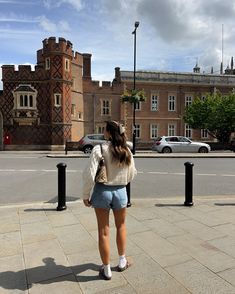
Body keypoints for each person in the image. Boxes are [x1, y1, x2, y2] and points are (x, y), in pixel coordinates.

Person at [82, 121, 137, 280]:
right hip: (120, 192)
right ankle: (122, 261)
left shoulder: (99, 149)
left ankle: (106, 270)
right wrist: (121, 181)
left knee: (103, 231)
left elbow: (89, 174)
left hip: (102, 192)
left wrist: (86, 195)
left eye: (104, 130)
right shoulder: (126, 150)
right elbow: (132, 173)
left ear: (108, 133)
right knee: (121, 226)